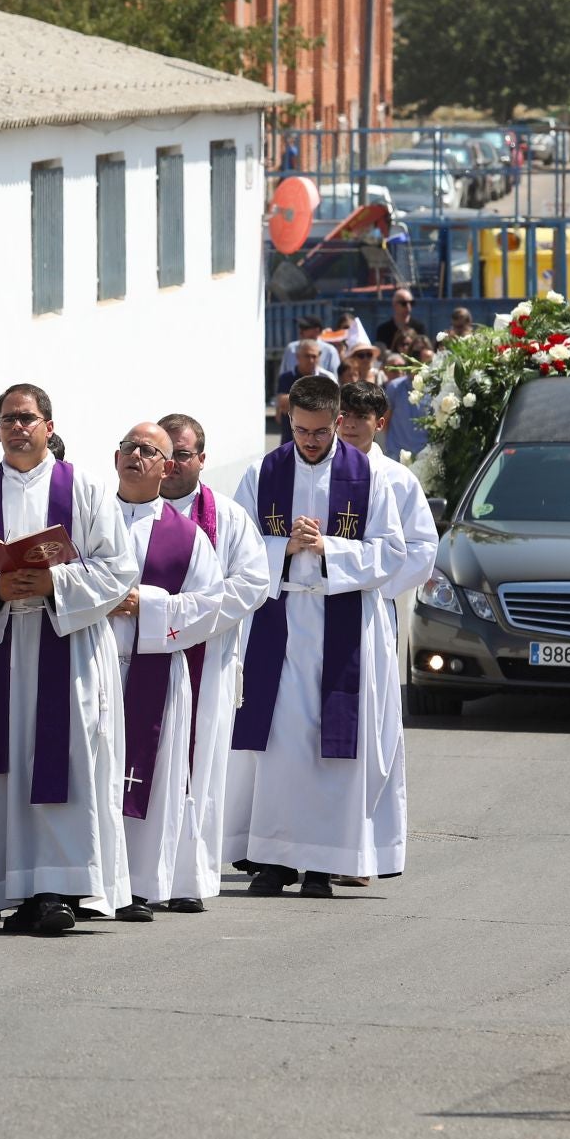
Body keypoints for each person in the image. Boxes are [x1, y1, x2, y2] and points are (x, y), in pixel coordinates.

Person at [0, 384, 138, 935]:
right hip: (1, 646)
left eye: (26, 418)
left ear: (49, 424)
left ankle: (60, 889)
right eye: (7, 419)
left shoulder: (86, 491)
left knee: (67, 761)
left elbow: (119, 568)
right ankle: (11, 889)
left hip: (67, 649)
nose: (17, 428)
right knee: (5, 767)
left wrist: (53, 581)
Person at [226, 375, 405, 899]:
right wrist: (283, 545)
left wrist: (329, 548)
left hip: (342, 624)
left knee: (330, 749)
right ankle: (274, 861)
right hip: (279, 624)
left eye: (320, 431)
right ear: (288, 420)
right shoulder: (263, 472)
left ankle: (325, 863)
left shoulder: (369, 474)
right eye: (300, 430)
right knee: (279, 742)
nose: (309, 440)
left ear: (337, 421)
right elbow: (232, 548)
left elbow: (392, 553)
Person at [104, 422, 226, 921]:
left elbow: (209, 604)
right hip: (95, 671)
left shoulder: (187, 537)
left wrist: (146, 606)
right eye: (128, 447)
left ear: (167, 466)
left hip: (156, 670)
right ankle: (96, 879)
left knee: (158, 778)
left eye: (148, 450)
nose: (136, 455)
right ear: (115, 459)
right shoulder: (91, 519)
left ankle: (144, 882)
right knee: (96, 778)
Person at [156, 413, 271, 913]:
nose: (173, 464)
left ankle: (188, 879)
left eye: (184, 454)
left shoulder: (227, 517)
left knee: (201, 769)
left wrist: (179, 617)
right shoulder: (127, 511)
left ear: (202, 458)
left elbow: (253, 584)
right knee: (143, 766)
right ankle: (138, 877)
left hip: (210, 659)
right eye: (166, 453)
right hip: (137, 660)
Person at [331, 382, 437, 886]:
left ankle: (366, 850)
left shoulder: (397, 480)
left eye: (358, 416)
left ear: (381, 422)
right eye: (343, 415)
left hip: (370, 613)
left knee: (370, 730)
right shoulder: (315, 471)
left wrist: (369, 587)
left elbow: (420, 550)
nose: (348, 424)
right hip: (316, 612)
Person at [276, 340, 328, 445]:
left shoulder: (326, 378)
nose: (311, 360)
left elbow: (329, 408)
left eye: (314, 356)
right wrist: (315, 399)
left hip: (318, 442)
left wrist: (294, 401)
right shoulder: (286, 378)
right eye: (307, 356)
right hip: (290, 440)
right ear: (298, 357)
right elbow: (283, 403)